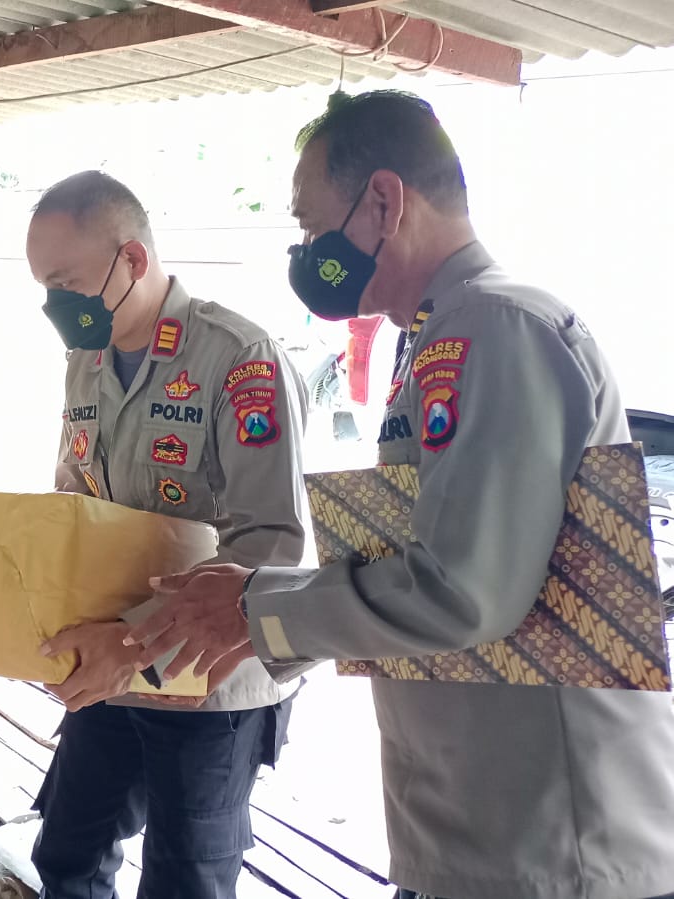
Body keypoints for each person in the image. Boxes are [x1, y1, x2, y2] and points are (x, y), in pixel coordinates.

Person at [128, 90, 674, 899]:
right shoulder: (434, 336)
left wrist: (256, 609)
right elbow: (408, 565)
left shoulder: (494, 327)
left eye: (312, 228)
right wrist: (264, 612)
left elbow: (460, 590)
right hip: (484, 828)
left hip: (555, 848)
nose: (306, 252)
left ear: (383, 202)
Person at [25, 171, 307, 898]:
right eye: (44, 287)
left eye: (67, 282)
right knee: (67, 854)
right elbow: (75, 499)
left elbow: (269, 543)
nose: (55, 304)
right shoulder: (83, 364)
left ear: (133, 261)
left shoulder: (237, 357)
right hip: (110, 666)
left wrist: (134, 640)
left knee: (185, 882)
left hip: (206, 680)